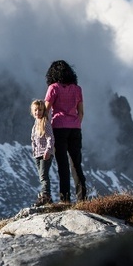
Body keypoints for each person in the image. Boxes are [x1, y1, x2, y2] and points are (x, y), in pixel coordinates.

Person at [44, 60, 87, 203]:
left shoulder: (53, 88)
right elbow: (81, 112)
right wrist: (75, 123)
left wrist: (46, 128)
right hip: (75, 129)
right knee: (76, 164)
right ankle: (82, 199)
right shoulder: (77, 89)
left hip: (59, 128)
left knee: (63, 166)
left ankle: (65, 200)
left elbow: (46, 110)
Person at [30, 99, 53, 206]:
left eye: (40, 110)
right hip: (37, 154)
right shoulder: (35, 125)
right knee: (41, 176)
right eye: (35, 110)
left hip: (45, 154)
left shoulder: (45, 123)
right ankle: (46, 196)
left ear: (44, 111)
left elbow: (50, 138)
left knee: (44, 175)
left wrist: (48, 150)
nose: (37, 112)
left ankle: (46, 196)